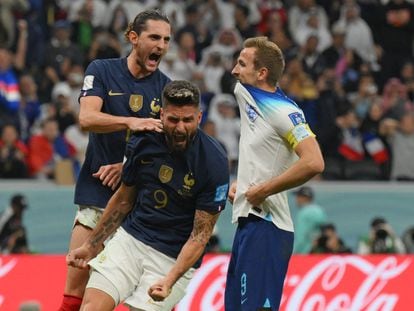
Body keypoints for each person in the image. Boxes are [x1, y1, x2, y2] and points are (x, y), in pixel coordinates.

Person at [66, 80, 230, 310]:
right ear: (161, 115)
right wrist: (92, 245)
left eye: (187, 120)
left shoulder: (214, 163)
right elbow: (124, 199)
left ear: (199, 118)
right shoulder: (143, 139)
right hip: (130, 240)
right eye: (173, 119)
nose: (180, 127)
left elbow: (200, 236)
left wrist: (170, 279)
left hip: (170, 257)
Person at [59, 10, 172, 311]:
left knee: (148, 298)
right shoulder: (102, 69)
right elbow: (87, 117)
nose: (161, 45)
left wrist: (127, 167)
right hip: (96, 192)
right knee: (74, 293)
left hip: (139, 203)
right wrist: (130, 122)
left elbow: (170, 148)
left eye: (166, 39)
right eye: (154, 37)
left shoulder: (167, 88)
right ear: (133, 38)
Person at [225, 36, 325, 311]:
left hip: (268, 228)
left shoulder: (286, 112)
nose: (234, 70)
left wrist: (264, 189)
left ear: (261, 73)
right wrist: (243, 182)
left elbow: (314, 162)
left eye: (241, 64)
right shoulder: (246, 93)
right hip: (248, 225)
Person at [293, 186, 327, 254]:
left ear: (305, 197)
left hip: (304, 253)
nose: (296, 199)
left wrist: (294, 253)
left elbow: (300, 237)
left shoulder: (304, 213)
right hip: (319, 251)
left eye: (298, 196)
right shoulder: (320, 210)